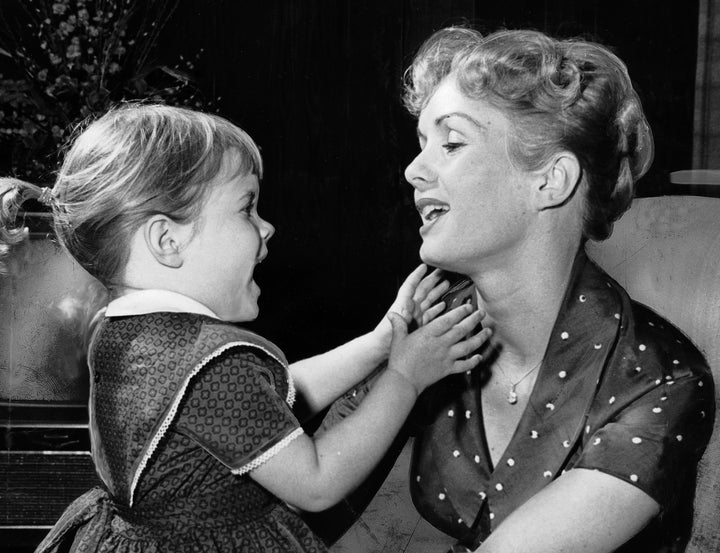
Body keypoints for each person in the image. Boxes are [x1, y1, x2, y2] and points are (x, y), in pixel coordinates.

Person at [0, 104, 493, 553]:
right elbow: (316, 482)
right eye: (246, 208)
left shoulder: (126, 333)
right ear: (167, 241)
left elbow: (270, 400)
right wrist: (404, 377)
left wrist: (384, 339)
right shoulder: (206, 359)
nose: (267, 227)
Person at [327, 27, 715, 552]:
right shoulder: (429, 326)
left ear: (550, 181)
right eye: (422, 145)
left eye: (452, 143)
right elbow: (309, 486)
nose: (414, 170)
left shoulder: (659, 380)